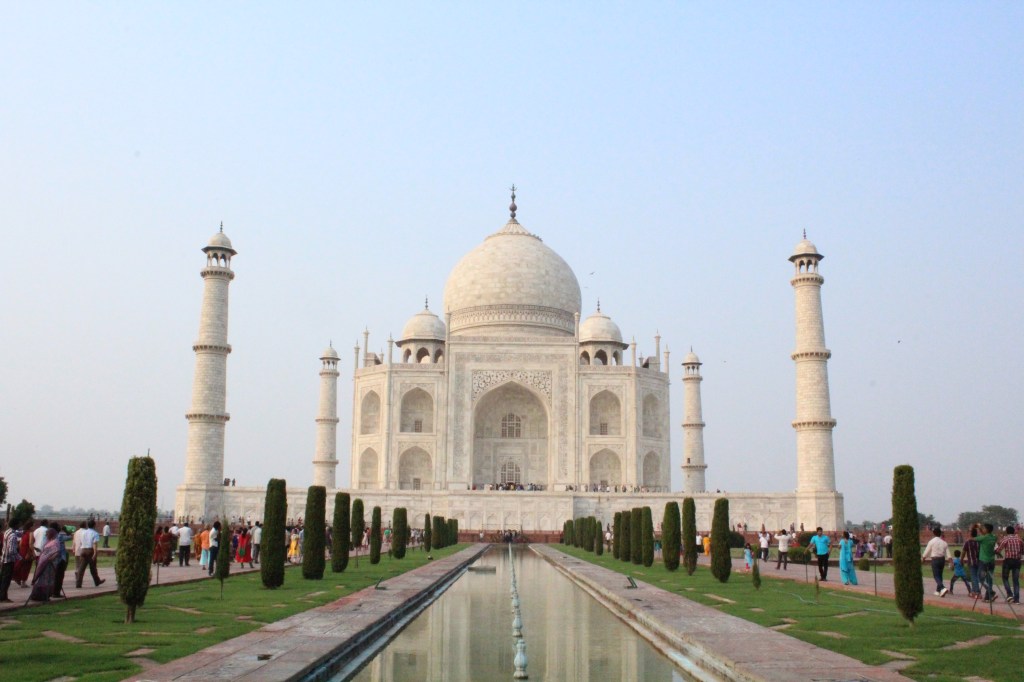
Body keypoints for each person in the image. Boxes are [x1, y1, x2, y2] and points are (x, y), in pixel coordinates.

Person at [29, 526, 60, 602]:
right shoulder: (48, 541)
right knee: (41, 580)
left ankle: (45, 595)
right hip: (43, 563)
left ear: (52, 534)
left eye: (47, 534)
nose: (46, 535)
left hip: (49, 564)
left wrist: (50, 558)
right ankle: (37, 595)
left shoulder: (55, 542)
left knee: (48, 580)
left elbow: (57, 552)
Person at [994, 525, 1021, 604]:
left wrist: (998, 553)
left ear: (1007, 531)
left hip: (1008, 561)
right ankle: (1017, 599)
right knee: (1015, 580)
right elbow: (1023, 550)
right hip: (1017, 561)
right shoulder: (1019, 539)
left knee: (1005, 578)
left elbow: (998, 549)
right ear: (1014, 531)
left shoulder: (1005, 539)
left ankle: (1009, 595)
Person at [75, 519, 104, 588]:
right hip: (90, 550)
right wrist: (95, 553)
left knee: (81, 568)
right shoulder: (95, 533)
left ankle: (78, 583)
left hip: (83, 549)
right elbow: (94, 544)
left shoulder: (83, 532)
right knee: (93, 568)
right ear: (94, 525)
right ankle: (97, 581)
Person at [922, 526, 950, 597]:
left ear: (933, 533)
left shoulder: (931, 542)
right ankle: (938, 590)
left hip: (935, 559)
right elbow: (948, 554)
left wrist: (923, 559)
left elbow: (926, 552)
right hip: (942, 559)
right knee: (940, 575)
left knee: (936, 575)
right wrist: (951, 562)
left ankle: (942, 588)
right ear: (940, 533)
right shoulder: (944, 542)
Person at [0, 521, 22, 602]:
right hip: (9, 560)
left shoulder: (7, 532)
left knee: (3, 578)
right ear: (16, 525)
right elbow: (12, 550)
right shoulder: (13, 535)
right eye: (19, 524)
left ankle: (2, 595)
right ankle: (3, 597)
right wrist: (19, 558)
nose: (20, 526)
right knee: (6, 579)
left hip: (4, 558)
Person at [977, 523, 998, 602]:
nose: (983, 529)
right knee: (990, 579)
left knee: (981, 578)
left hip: (984, 561)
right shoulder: (993, 537)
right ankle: (988, 597)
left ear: (986, 530)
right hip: (991, 561)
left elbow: (981, 537)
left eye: (984, 528)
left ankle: (990, 591)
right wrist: (980, 528)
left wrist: (979, 528)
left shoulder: (983, 538)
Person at [12, 521, 36, 588]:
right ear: (30, 527)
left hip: (22, 551)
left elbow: (20, 544)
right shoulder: (30, 533)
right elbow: (30, 544)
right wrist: (33, 553)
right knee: (26, 567)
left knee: (20, 566)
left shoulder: (24, 533)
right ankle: (23, 581)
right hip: (27, 551)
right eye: (33, 526)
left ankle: (18, 578)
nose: (34, 527)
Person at [50, 522, 71, 599]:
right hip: (60, 559)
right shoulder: (59, 536)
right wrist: (66, 531)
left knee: (54, 576)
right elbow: (71, 537)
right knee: (59, 577)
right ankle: (56, 592)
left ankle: (53, 591)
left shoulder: (51, 536)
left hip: (53, 559)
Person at [961, 527, 981, 599]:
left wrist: (961, 560)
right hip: (979, 561)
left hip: (972, 561)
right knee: (976, 577)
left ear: (970, 533)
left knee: (974, 577)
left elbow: (963, 552)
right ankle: (973, 591)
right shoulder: (979, 541)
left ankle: (977, 592)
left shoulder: (968, 542)